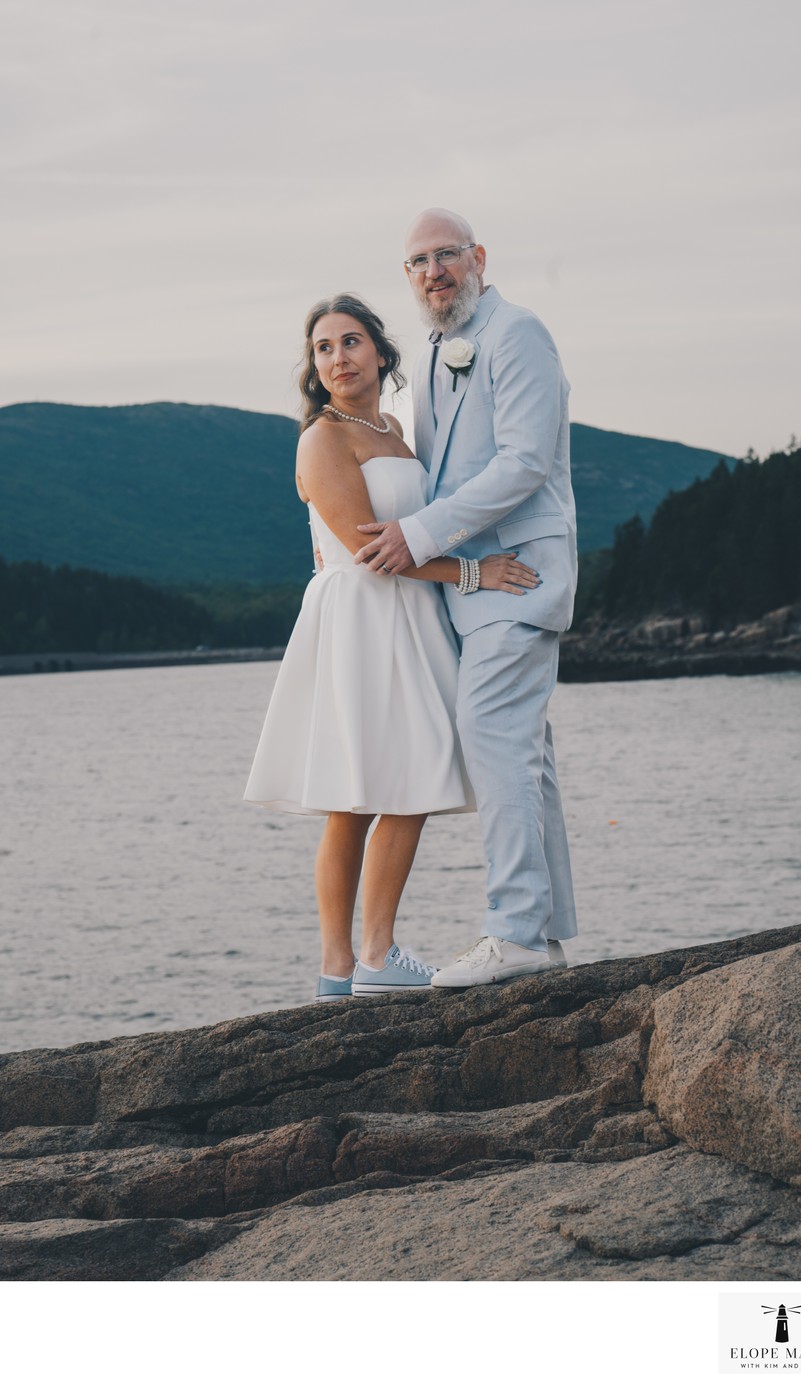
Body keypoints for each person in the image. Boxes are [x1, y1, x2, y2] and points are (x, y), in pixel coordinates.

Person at [244, 293, 540, 1001]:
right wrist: (477, 573)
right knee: (355, 797)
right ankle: (343, 965)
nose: (338, 356)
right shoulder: (323, 438)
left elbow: (424, 522)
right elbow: (368, 550)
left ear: (379, 351)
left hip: (409, 616)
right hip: (361, 619)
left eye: (350, 341)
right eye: (323, 348)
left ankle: (369, 956)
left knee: (411, 784)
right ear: (313, 367)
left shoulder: (393, 433)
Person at [354, 209, 579, 988]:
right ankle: (543, 935)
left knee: (493, 737)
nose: (431, 273)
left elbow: (521, 464)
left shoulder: (517, 334)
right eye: (416, 262)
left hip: (520, 570)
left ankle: (513, 931)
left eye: (444, 256)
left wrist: (417, 536)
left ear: (478, 257)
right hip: (470, 591)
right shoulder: (427, 354)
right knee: (527, 756)